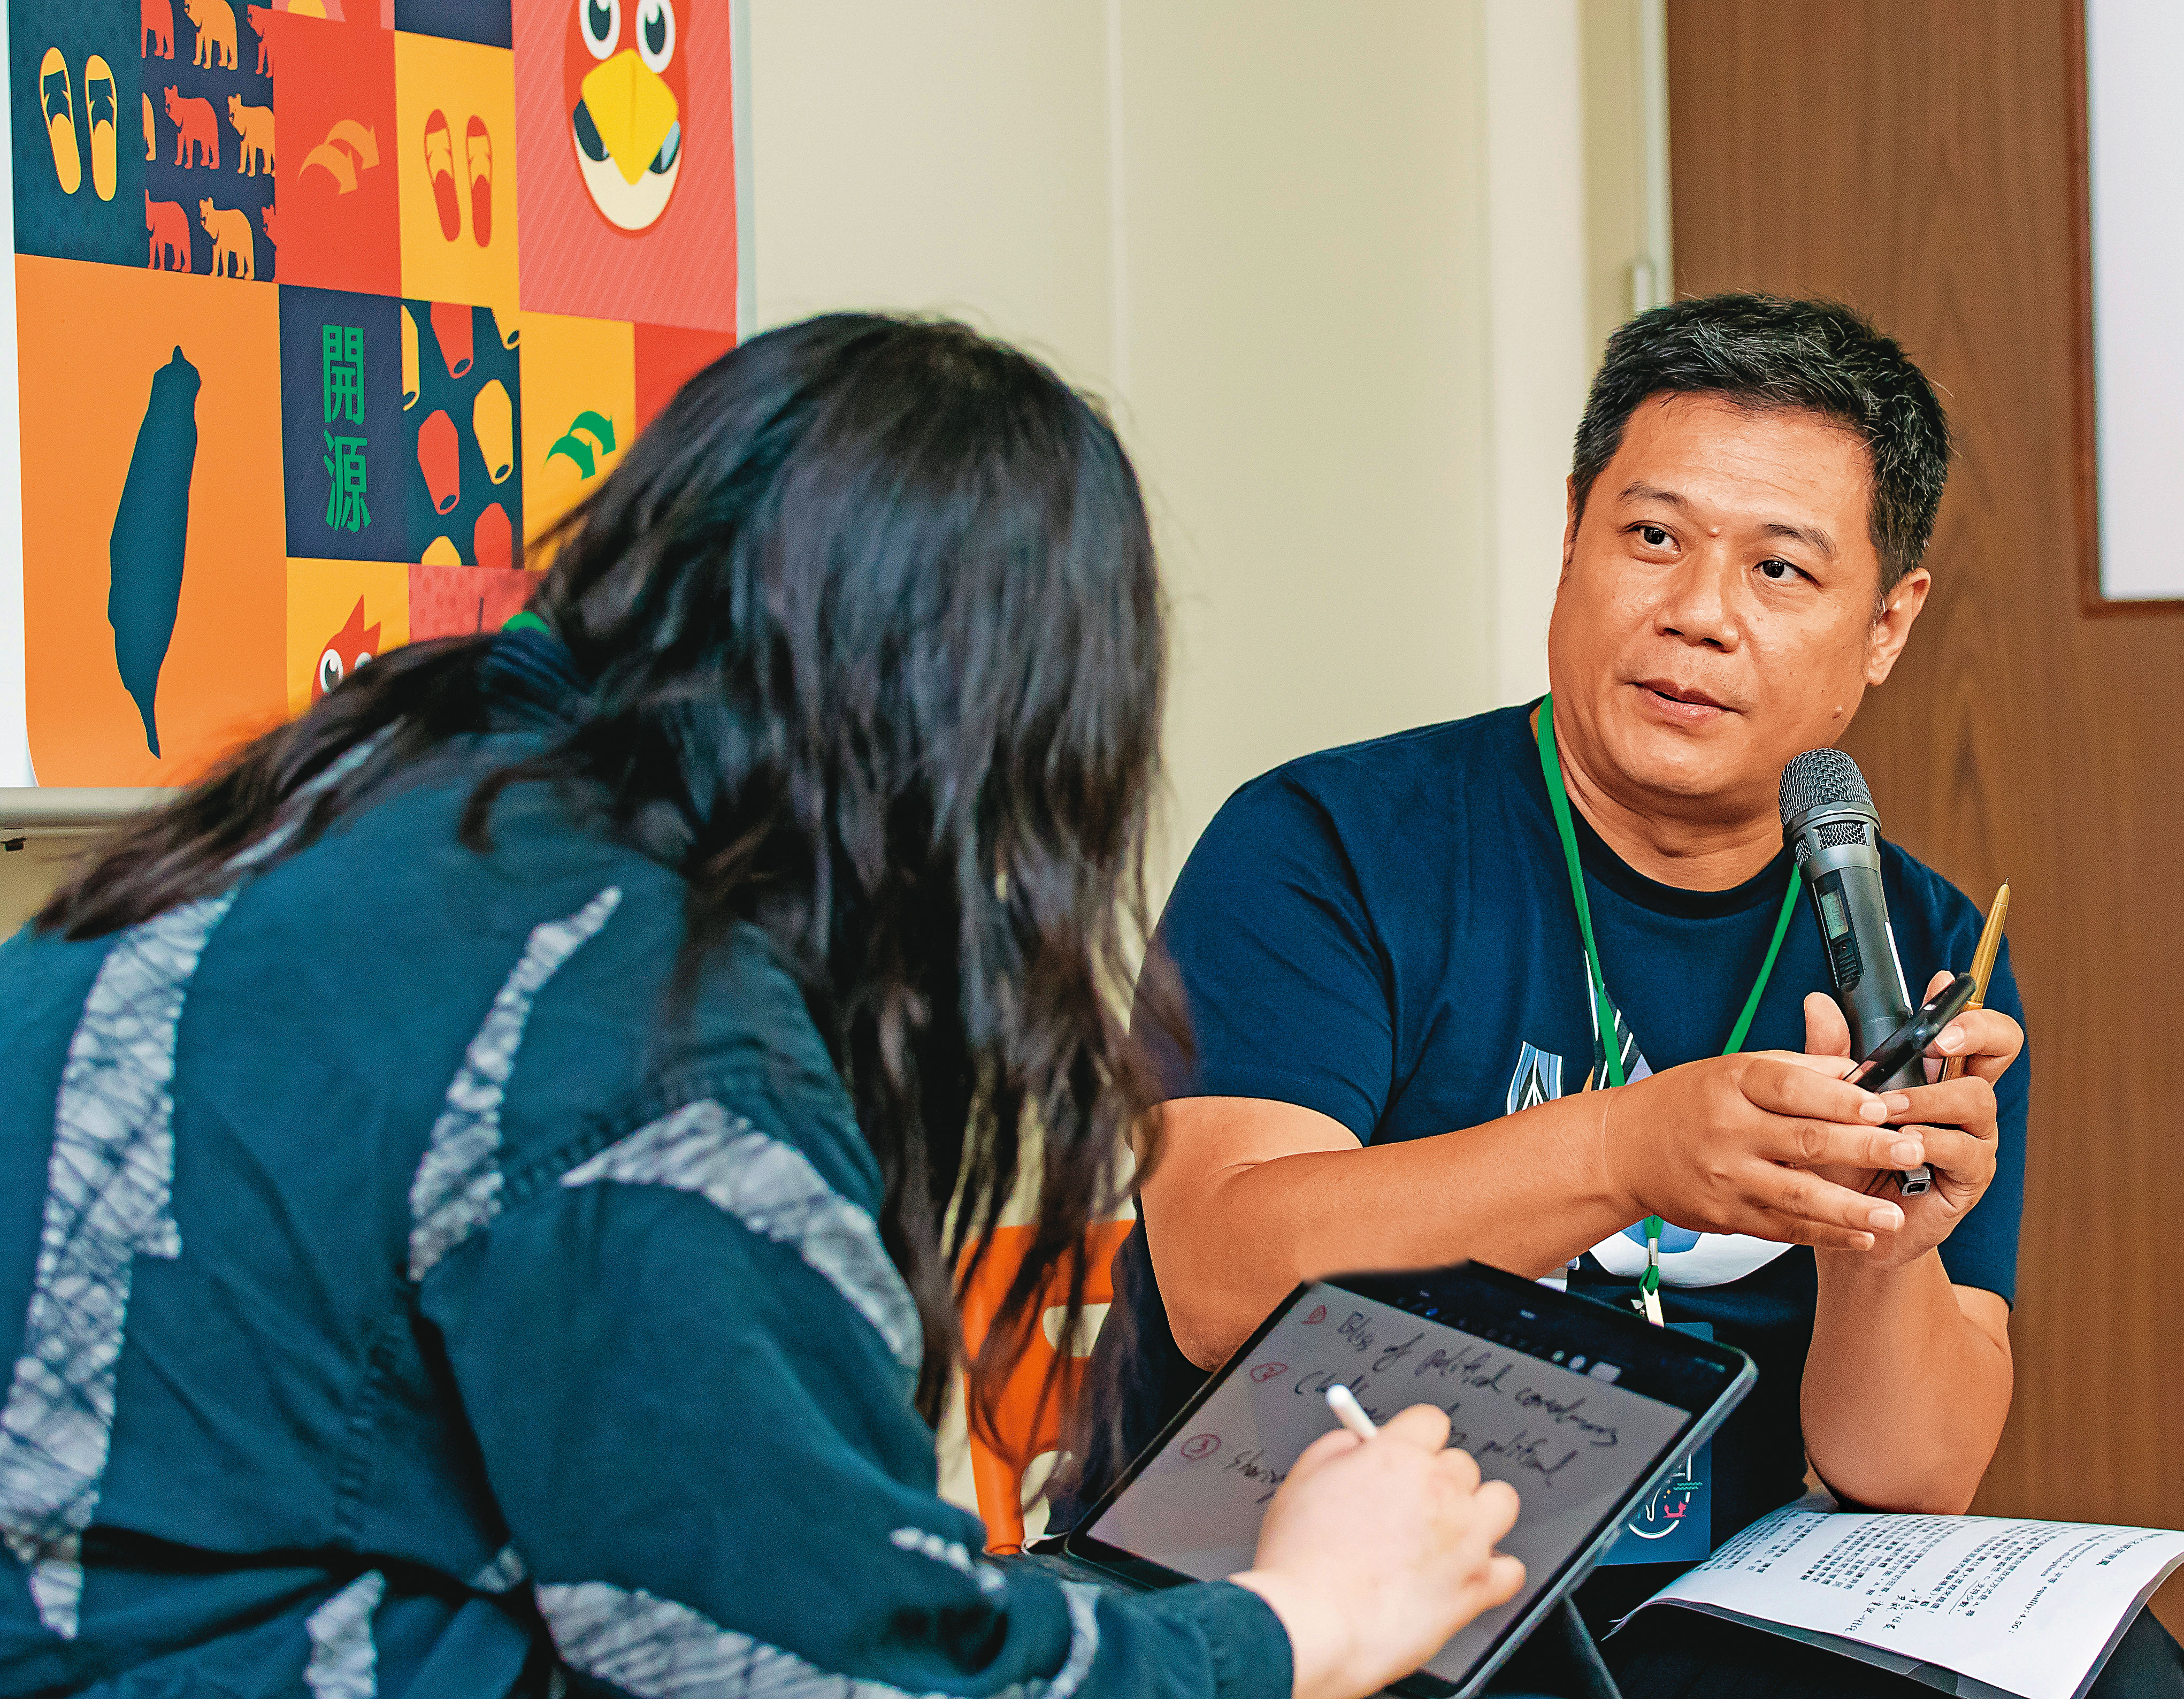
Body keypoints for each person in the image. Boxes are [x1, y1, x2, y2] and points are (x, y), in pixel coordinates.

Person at [0, 316, 1525, 1699]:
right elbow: (846, 1670)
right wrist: (1294, 1620)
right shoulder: (644, 1041)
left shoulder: (350, 813)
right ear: (1000, 735)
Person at [1059, 295, 2184, 1697]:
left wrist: (1879, 1241)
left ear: (1887, 625)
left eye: (1779, 571)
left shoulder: (1914, 942)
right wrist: (1629, 1148)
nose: (1697, 614)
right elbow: (1221, 1280)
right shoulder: (1333, 845)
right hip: (1322, 1573)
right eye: (1650, 538)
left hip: (1697, 1601)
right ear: (1570, 543)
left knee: (2120, 1676)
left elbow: (1913, 1470)